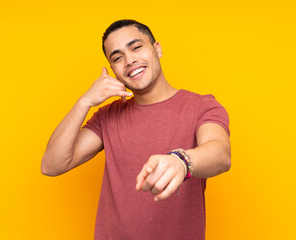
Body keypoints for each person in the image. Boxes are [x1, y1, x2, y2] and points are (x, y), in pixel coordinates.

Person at [41, 19, 231, 240]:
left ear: (157, 49)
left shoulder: (202, 106)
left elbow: (221, 153)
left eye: (136, 47)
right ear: (112, 69)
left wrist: (181, 161)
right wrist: (84, 102)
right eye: (117, 57)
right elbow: (51, 165)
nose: (129, 60)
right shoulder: (107, 116)